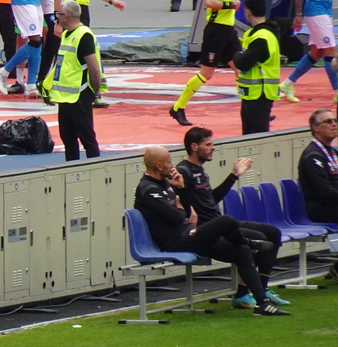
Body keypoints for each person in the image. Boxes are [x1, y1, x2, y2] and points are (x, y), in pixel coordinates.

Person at [134, 145, 289, 316]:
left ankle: (262, 304)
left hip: (191, 234)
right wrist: (179, 207)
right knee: (226, 221)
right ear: (158, 165)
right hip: (177, 241)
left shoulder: (166, 184)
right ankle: (247, 241)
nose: (172, 166)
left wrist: (182, 190)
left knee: (241, 251)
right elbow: (177, 217)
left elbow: (185, 213)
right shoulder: (149, 189)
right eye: (169, 162)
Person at [175, 126, 288, 309]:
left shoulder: (200, 171)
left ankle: (262, 289)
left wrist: (234, 176)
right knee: (259, 240)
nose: (213, 148)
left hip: (219, 220)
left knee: (273, 233)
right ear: (194, 147)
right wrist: (187, 209)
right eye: (208, 144)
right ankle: (244, 294)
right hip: (209, 228)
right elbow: (176, 196)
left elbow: (211, 200)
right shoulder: (184, 171)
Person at [169, 0, 243, 126]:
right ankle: (178, 107)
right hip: (216, 32)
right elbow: (209, 2)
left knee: (240, 69)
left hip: (228, 32)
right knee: (206, 73)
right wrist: (229, 5)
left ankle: (250, 108)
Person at [42, 0, 104, 161]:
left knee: (87, 138)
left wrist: (95, 91)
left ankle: (94, 169)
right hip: (65, 97)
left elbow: (94, 68)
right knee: (68, 139)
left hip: (80, 95)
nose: (57, 18)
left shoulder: (83, 36)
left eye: (59, 15)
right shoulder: (66, 34)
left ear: (66, 17)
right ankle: (72, 172)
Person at [233, 0, 280, 136]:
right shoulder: (254, 33)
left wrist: (236, 54)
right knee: (249, 136)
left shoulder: (261, 37)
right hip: (252, 94)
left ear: (248, 11)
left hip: (259, 94)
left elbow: (243, 63)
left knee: (256, 138)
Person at [298, 109, 338, 268]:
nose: (334, 124)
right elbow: (324, 190)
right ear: (316, 128)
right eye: (328, 122)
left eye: (335, 121)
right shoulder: (313, 155)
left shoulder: (332, 152)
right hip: (320, 208)